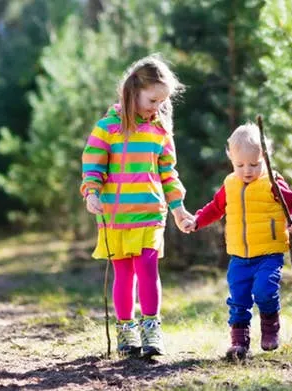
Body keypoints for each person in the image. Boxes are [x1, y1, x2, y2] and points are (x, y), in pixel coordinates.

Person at [81, 54, 194, 358]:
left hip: (149, 214)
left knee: (147, 269)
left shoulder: (160, 132)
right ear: (133, 90)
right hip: (115, 217)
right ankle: (126, 329)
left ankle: (151, 329)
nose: (156, 107)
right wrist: (91, 192)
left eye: (161, 102)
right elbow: (93, 164)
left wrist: (179, 208)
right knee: (124, 274)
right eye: (152, 99)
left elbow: (169, 174)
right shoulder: (108, 127)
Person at [183, 122, 292, 360]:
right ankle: (239, 342)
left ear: (266, 158)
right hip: (239, 255)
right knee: (238, 299)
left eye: (254, 164)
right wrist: (197, 220)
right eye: (239, 165)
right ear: (231, 160)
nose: (247, 170)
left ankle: (270, 328)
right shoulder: (230, 183)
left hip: (269, 252)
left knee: (264, 290)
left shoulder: (273, 183)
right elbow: (215, 208)